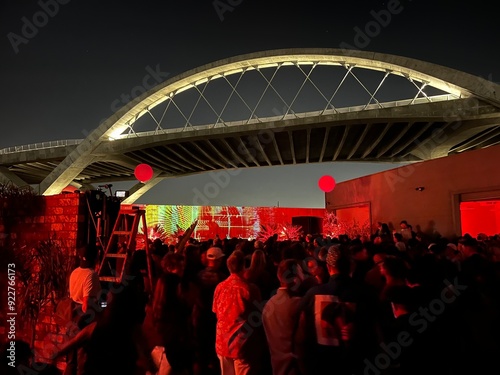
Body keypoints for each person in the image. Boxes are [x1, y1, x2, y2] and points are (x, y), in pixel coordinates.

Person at [212, 250, 263, 375]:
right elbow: (259, 315)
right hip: (241, 344)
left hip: (222, 342)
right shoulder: (248, 289)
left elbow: (215, 311)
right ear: (243, 266)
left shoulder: (220, 287)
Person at [262, 259, 306, 375]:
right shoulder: (298, 304)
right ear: (296, 277)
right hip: (295, 368)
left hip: (276, 367)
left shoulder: (268, 305)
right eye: (301, 271)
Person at [65, 244, 102, 375]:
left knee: (71, 360)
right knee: (82, 361)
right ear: (95, 258)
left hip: (72, 317)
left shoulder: (75, 272)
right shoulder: (91, 275)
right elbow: (87, 304)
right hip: (83, 321)